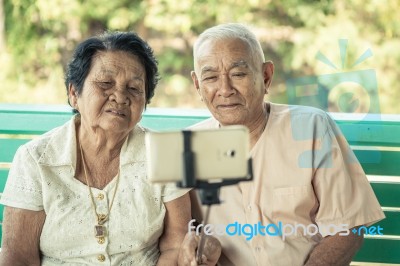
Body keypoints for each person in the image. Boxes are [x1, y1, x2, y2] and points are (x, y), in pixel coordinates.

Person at [178, 23, 385, 266]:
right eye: (211, 77)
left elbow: (347, 228)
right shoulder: (187, 148)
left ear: (266, 76)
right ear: (197, 85)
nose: (225, 89)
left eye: (239, 74)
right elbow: (177, 237)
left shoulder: (311, 128)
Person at [0, 31, 191, 265]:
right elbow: (19, 257)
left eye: (134, 88)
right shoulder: (36, 159)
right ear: (74, 93)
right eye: (105, 83)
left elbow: (176, 245)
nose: (120, 97)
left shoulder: (165, 154)